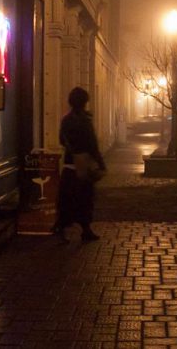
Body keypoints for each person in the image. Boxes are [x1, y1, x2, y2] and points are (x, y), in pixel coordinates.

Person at [53, 86, 105, 242]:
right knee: (85, 199)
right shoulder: (85, 120)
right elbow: (92, 144)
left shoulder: (66, 120)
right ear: (84, 102)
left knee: (67, 200)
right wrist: (100, 163)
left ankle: (62, 229)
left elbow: (61, 140)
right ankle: (86, 230)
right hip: (84, 166)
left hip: (69, 164)